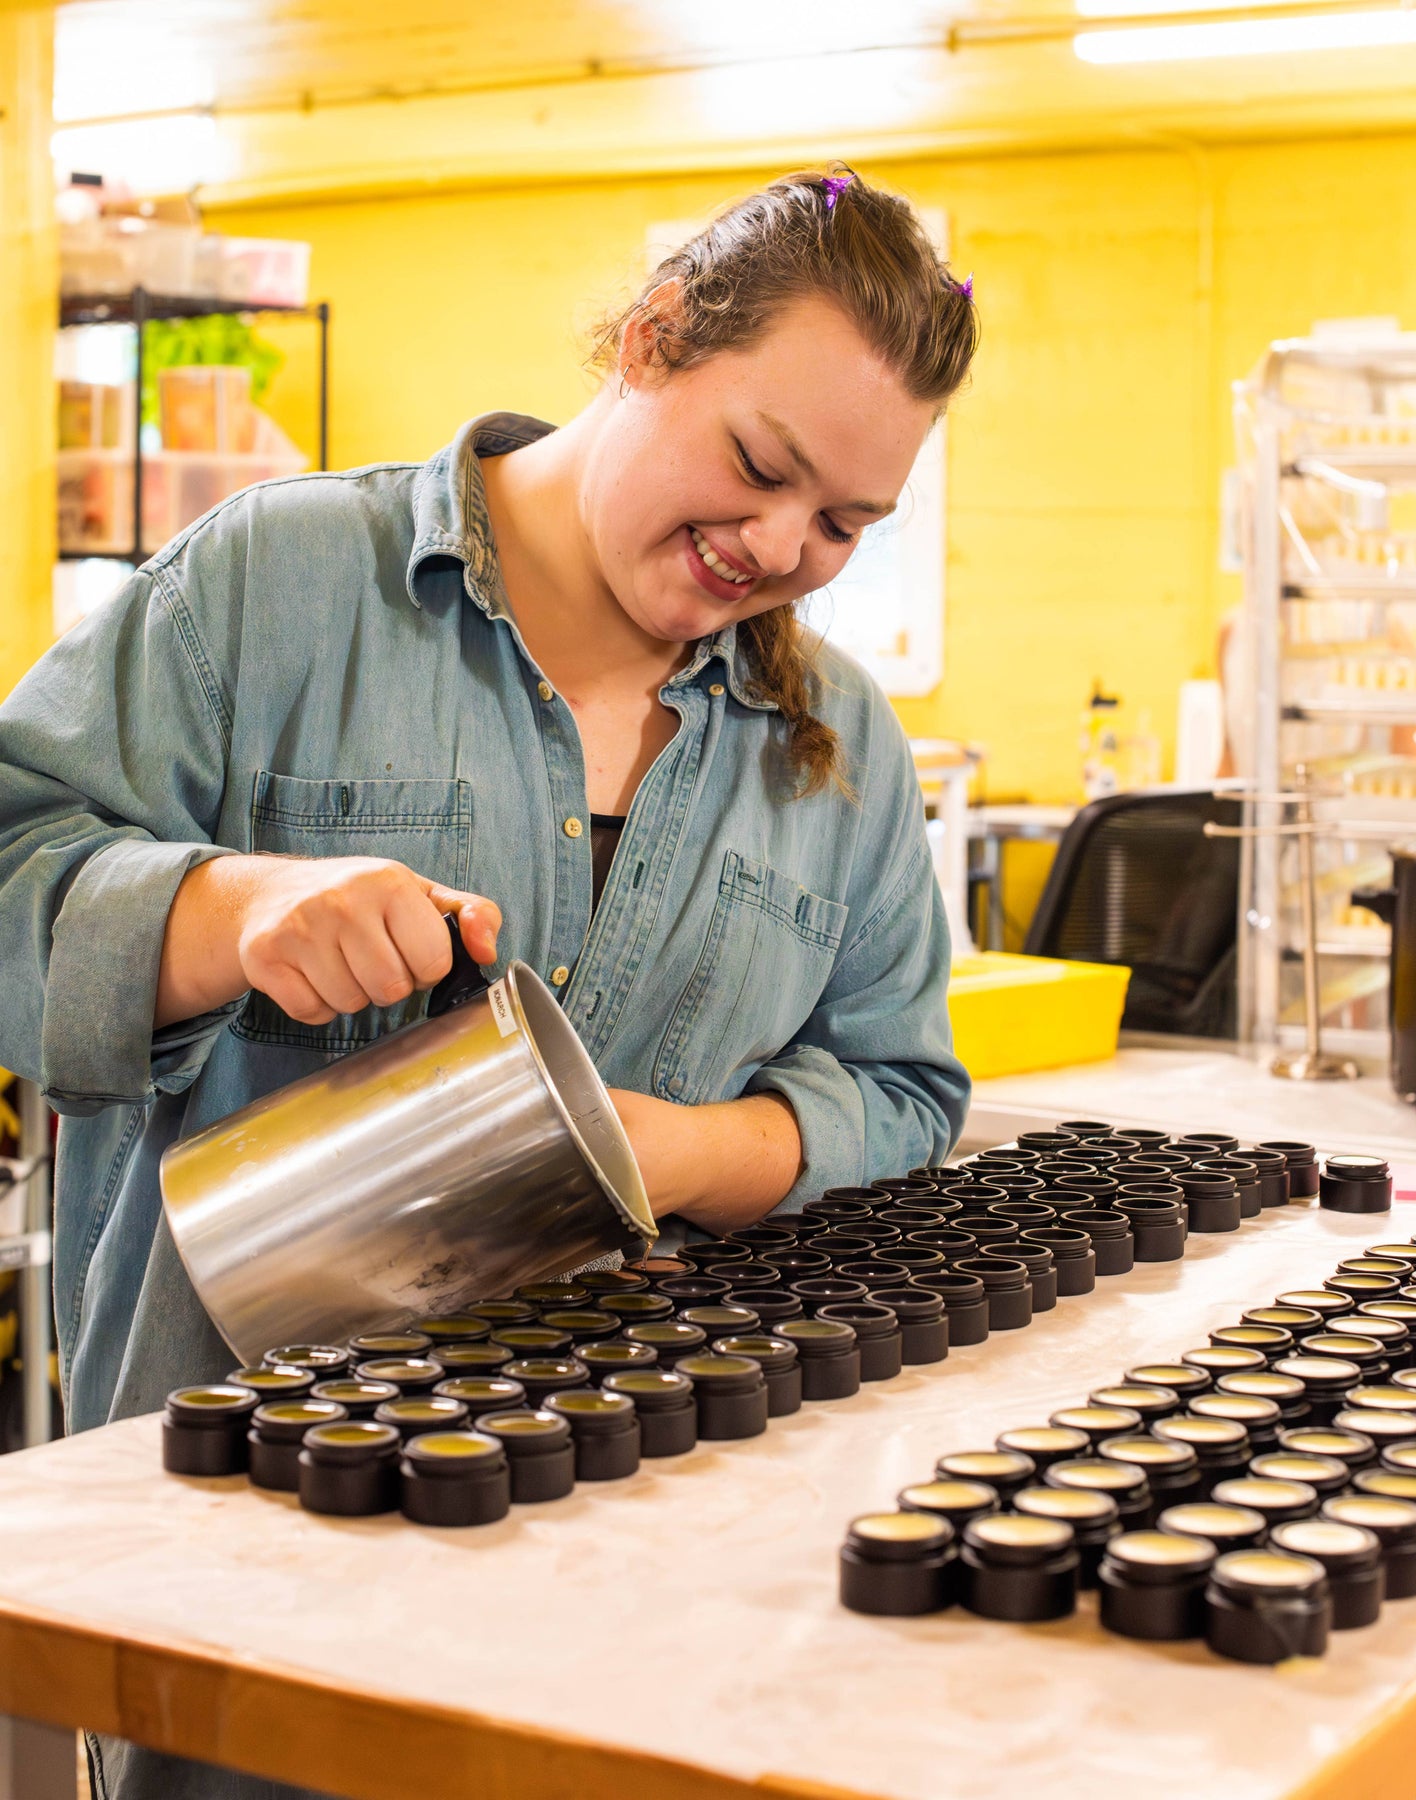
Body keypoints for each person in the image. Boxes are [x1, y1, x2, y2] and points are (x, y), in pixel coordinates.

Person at [0, 166, 977, 1797]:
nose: (777, 547)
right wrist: (228, 911)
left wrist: (670, 1149)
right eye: (760, 466)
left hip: (649, 1563)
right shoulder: (279, 589)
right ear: (653, 339)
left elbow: (900, 1086)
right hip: (255, 1550)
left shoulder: (842, 750)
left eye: (842, 524)